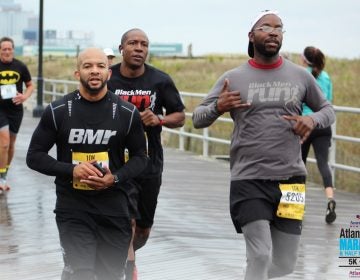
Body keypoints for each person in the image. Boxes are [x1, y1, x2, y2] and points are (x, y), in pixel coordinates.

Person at [192, 10, 335, 280]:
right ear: (251, 35)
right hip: (249, 178)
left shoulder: (300, 76)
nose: (273, 32)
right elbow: (198, 118)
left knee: (285, 264)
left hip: (291, 179)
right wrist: (219, 107)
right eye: (265, 27)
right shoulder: (233, 77)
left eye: (279, 28)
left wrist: (312, 120)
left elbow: (328, 110)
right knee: (259, 255)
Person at [26, 47, 148, 280]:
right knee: (80, 274)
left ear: (108, 73)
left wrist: (115, 178)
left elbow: (141, 158)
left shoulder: (126, 113)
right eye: (87, 66)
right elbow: (34, 156)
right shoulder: (58, 111)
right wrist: (72, 170)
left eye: (101, 66)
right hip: (73, 209)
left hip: (114, 209)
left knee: (109, 275)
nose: (94, 71)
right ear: (76, 73)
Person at [107, 28, 185, 280]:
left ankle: (125, 255)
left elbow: (180, 117)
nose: (139, 48)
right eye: (133, 43)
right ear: (122, 48)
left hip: (149, 163)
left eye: (144, 44)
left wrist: (159, 119)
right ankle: (127, 270)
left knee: (142, 230)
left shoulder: (159, 80)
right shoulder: (109, 79)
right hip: (116, 163)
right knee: (125, 222)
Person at [300, 46, 336, 224]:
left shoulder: (300, 74)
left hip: (305, 124)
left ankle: (299, 204)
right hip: (323, 125)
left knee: (299, 164)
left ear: (305, 59)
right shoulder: (326, 76)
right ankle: (330, 199)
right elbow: (328, 102)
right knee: (323, 165)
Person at [0, 36, 34, 194]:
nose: (6, 51)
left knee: (11, 144)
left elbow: (30, 85)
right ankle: (1, 179)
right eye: (3, 49)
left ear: (13, 49)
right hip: (0, 109)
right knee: (4, 143)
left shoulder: (20, 66)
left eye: (9, 48)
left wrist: (24, 97)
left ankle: (4, 174)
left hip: (15, 109)